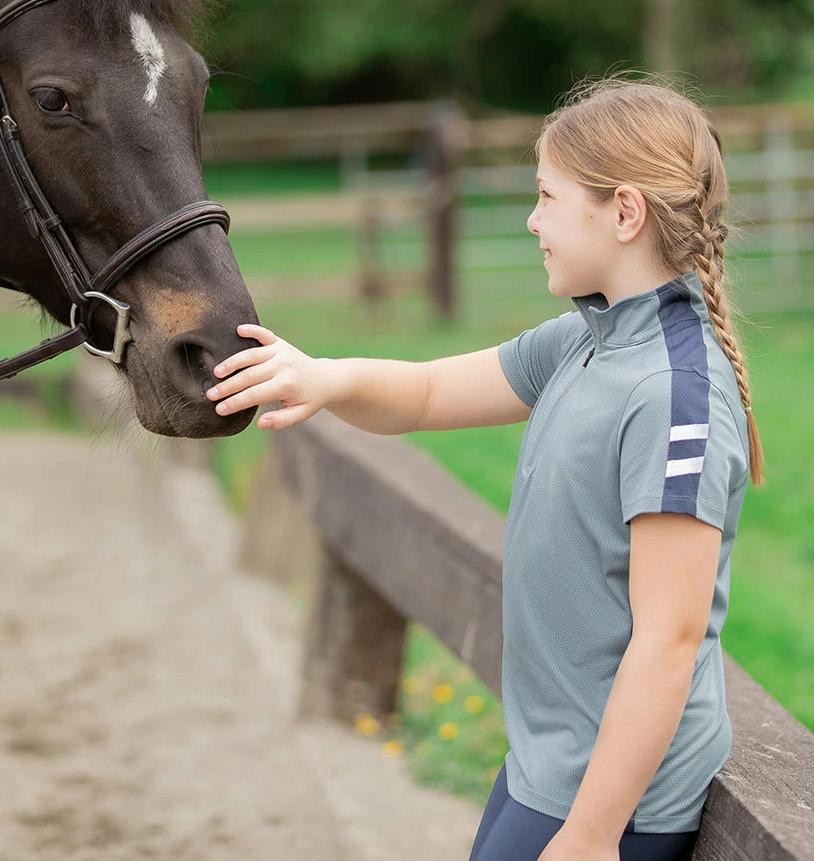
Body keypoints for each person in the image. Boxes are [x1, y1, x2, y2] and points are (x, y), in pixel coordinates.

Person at [204, 77, 762, 861]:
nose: (533, 221)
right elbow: (429, 393)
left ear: (625, 213)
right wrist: (323, 377)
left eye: (548, 197)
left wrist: (592, 835)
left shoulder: (675, 395)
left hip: (609, 803)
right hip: (548, 767)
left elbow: (670, 642)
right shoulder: (587, 341)